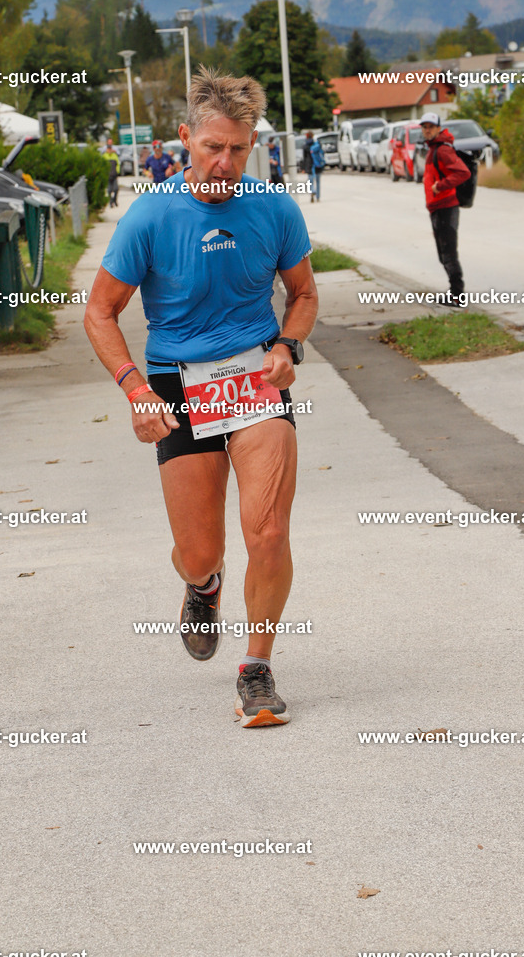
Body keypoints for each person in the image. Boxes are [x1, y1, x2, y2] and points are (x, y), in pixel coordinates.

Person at [84, 66, 318, 728]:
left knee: (268, 531)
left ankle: (257, 668)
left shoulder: (273, 208)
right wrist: (135, 390)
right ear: (185, 137)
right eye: (212, 147)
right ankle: (203, 583)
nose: (224, 163)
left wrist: (287, 347)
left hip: (254, 381)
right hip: (176, 384)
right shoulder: (152, 214)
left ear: (253, 146)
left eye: (238, 150)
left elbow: (303, 295)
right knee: (201, 549)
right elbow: (100, 313)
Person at [418, 112, 471, 307]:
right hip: (437, 207)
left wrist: (440, 186)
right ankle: (454, 292)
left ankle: (458, 295)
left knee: (448, 253)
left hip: (446, 207)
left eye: (431, 126)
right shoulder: (433, 148)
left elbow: (463, 172)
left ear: (439, 128)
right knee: (443, 253)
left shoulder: (442, 150)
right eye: (424, 126)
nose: (427, 129)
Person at [102, 141, 120, 208]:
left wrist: (117, 172)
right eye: (108, 148)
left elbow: (118, 164)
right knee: (109, 190)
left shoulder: (114, 155)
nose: (109, 150)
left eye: (110, 148)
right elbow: (102, 166)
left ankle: (114, 200)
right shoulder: (104, 156)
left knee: (116, 189)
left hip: (114, 175)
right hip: (108, 175)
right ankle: (110, 202)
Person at [309, 137, 325, 203]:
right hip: (319, 166)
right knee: (318, 182)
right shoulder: (320, 147)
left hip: (313, 166)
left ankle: (313, 192)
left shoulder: (312, 147)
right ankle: (318, 197)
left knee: (311, 181)